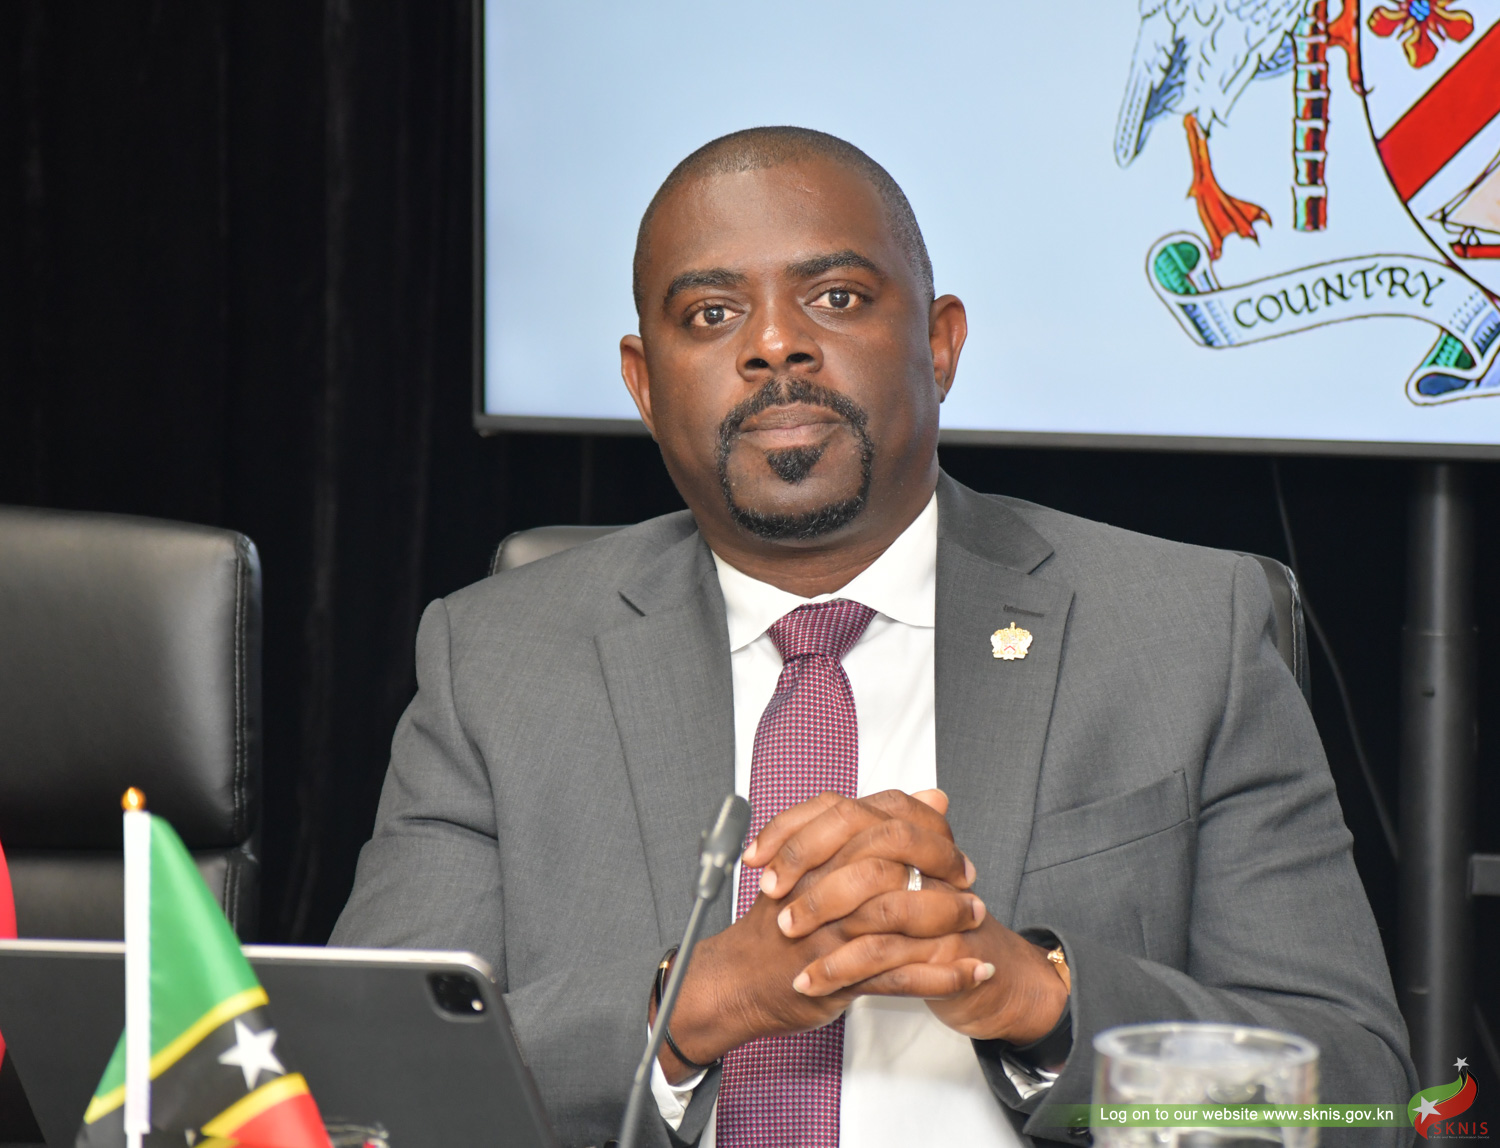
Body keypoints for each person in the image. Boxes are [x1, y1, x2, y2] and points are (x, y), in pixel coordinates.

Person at [331, 127, 1415, 1146]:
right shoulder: (498, 662)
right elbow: (362, 1087)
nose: (775, 343)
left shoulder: (1182, 631)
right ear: (644, 385)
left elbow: (1361, 1090)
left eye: (836, 297)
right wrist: (693, 1006)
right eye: (711, 314)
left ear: (940, 344)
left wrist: (1038, 996)